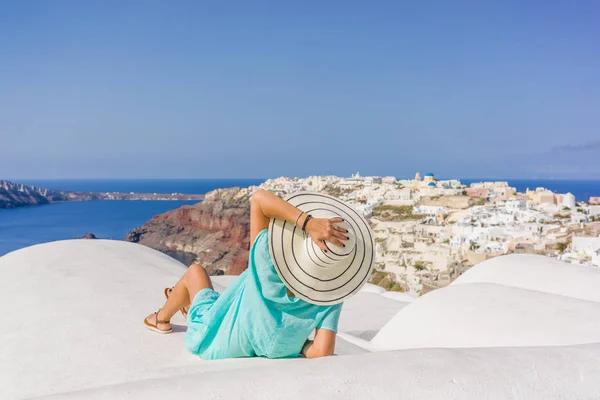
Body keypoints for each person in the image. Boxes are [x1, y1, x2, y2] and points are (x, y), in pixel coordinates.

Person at [144, 188, 350, 359]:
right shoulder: (330, 296)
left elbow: (259, 198)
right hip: (247, 336)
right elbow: (322, 351)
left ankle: (161, 318)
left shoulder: (267, 265)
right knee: (216, 298)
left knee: (195, 272)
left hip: (215, 337)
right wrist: (294, 341)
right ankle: (188, 306)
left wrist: (309, 223)